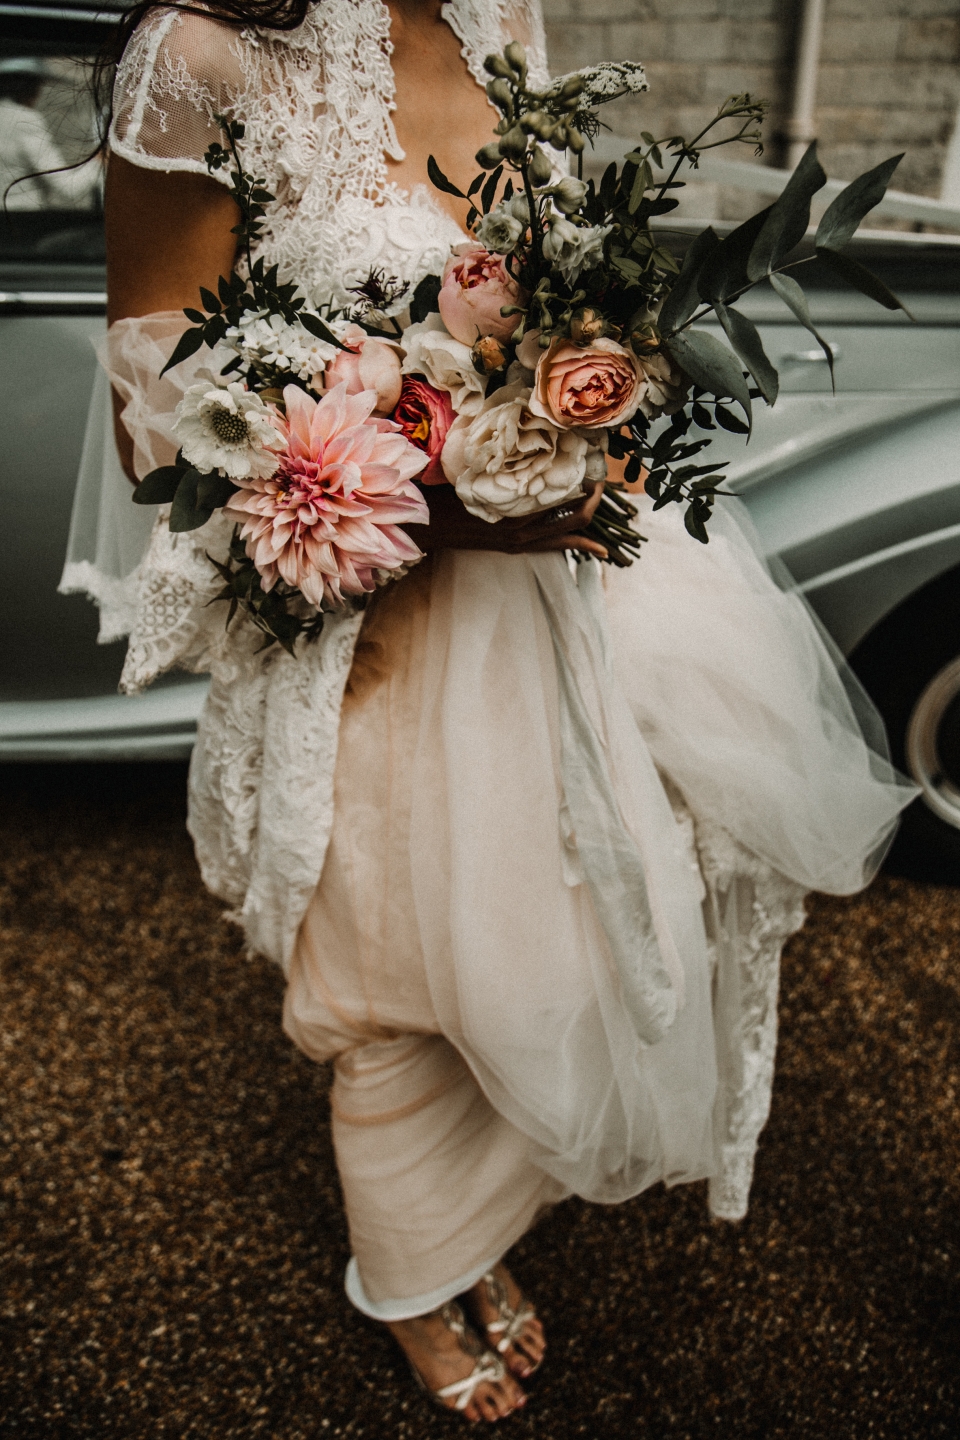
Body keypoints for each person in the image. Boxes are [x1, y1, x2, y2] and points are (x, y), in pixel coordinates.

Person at [60, 0, 914, 1422]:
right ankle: (405, 1277)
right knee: (393, 963)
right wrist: (436, 505)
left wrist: (577, 412)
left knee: (561, 934)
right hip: (374, 605)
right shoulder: (198, 56)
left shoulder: (500, 11)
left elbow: (546, 284)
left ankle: (476, 1232)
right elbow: (159, 398)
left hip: (569, 600)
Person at [0, 56, 100, 210]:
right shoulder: (24, 120)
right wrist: (100, 160)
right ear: (29, 88)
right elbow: (69, 188)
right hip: (23, 219)